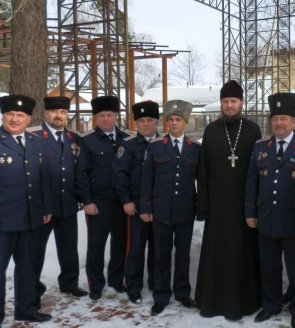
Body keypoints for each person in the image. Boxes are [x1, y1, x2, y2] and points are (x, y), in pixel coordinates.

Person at [0, 95, 53, 327]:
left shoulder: (36, 141)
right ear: (3, 116)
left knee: (27, 268)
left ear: (28, 119)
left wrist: (45, 208)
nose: (15, 119)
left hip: (30, 219)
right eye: (10, 114)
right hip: (0, 223)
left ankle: (25, 309)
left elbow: (42, 178)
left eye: (21, 115)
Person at [245, 92, 295, 328]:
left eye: (283, 118)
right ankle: (271, 304)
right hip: (266, 218)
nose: (278, 123)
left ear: (293, 122)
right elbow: (251, 182)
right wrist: (250, 212)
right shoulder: (260, 147)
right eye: (275, 119)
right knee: (269, 267)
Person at [195, 80, 263, 320]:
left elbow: (258, 170)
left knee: (242, 253)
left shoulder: (253, 130)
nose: (229, 105)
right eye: (225, 102)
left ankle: (243, 304)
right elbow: (202, 171)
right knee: (217, 254)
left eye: (233, 101)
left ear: (241, 103)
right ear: (221, 104)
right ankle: (212, 303)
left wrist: (255, 204)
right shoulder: (211, 130)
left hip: (244, 205)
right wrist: (203, 206)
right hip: (218, 206)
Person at [140, 100, 201, 316]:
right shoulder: (155, 146)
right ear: (166, 123)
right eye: (171, 120)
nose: (174, 123)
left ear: (186, 122)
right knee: (161, 255)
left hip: (185, 210)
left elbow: (201, 181)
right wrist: (146, 207)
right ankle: (161, 295)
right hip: (161, 210)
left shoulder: (195, 149)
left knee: (183, 254)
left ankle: (182, 292)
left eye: (178, 120)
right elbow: (147, 179)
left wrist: (200, 208)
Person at [31, 96, 87, 309]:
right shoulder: (34, 136)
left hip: (67, 203)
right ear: (46, 113)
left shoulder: (74, 137)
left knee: (68, 248)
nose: (58, 116)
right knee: (36, 251)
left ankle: (69, 283)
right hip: (43, 206)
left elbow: (79, 170)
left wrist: (81, 198)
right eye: (54, 111)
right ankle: (33, 291)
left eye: (63, 112)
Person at [76, 95, 129, 300]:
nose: (106, 119)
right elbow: (81, 173)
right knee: (96, 244)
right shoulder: (87, 140)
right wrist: (87, 201)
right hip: (99, 201)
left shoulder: (126, 138)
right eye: (101, 115)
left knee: (120, 242)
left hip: (122, 201)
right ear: (95, 117)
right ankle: (96, 283)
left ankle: (116, 280)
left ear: (116, 116)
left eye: (109, 115)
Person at [112, 101, 160, 304]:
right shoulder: (128, 145)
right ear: (136, 123)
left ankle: (157, 284)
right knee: (136, 248)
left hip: (159, 206)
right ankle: (134, 286)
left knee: (158, 248)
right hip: (136, 206)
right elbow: (119, 175)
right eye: (141, 121)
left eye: (150, 120)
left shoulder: (163, 143)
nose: (146, 124)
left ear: (157, 121)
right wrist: (126, 201)